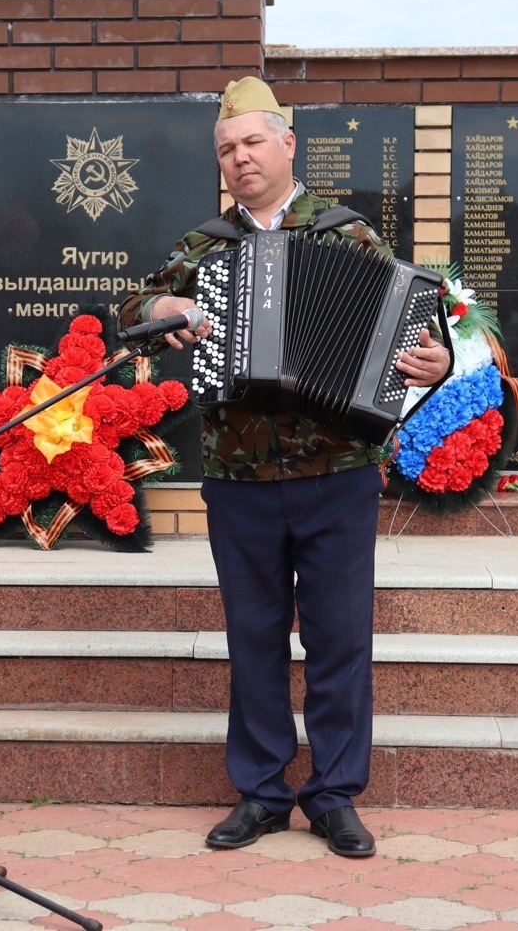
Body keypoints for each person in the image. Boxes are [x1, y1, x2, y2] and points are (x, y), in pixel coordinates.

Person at [119, 77, 450, 858]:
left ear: (287, 144)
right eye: (227, 150)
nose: (240, 158)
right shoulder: (203, 246)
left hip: (337, 473)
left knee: (341, 642)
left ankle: (334, 795)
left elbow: (415, 336)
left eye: (252, 143)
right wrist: (160, 312)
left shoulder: (348, 236)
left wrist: (434, 363)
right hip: (239, 480)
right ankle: (263, 793)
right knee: (254, 641)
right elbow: (132, 311)